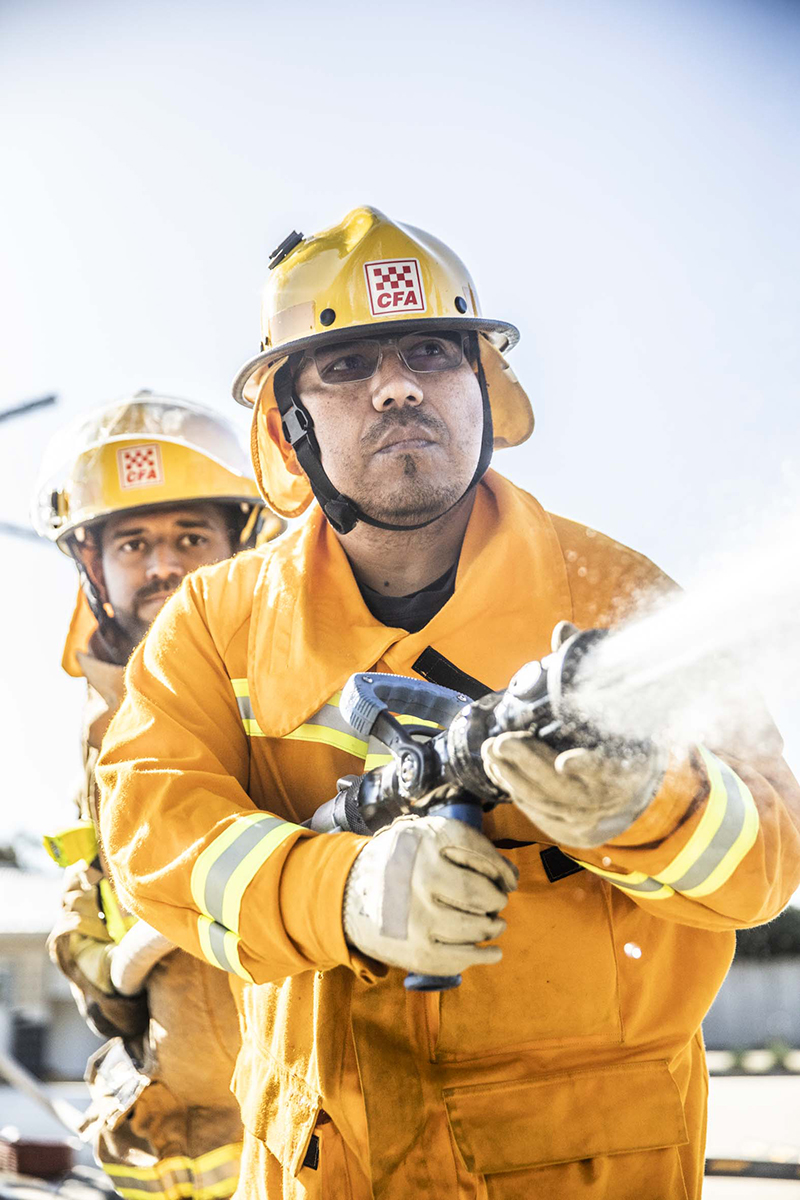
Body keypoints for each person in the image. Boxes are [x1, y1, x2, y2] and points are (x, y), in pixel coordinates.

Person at [96, 211, 800, 1199]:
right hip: (316, 1167)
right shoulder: (217, 625)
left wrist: (639, 805)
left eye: (429, 351)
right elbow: (154, 846)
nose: (395, 385)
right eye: (343, 365)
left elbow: (762, 864)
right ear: (286, 424)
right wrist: (342, 893)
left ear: (482, 385)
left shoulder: (615, 597)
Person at [35, 391, 283, 1200]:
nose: (163, 564)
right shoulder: (99, 723)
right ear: (92, 568)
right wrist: (86, 949)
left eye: (189, 537)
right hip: (173, 1145)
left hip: (299, 1134)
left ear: (243, 545)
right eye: (133, 543)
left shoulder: (298, 686)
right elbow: (101, 879)